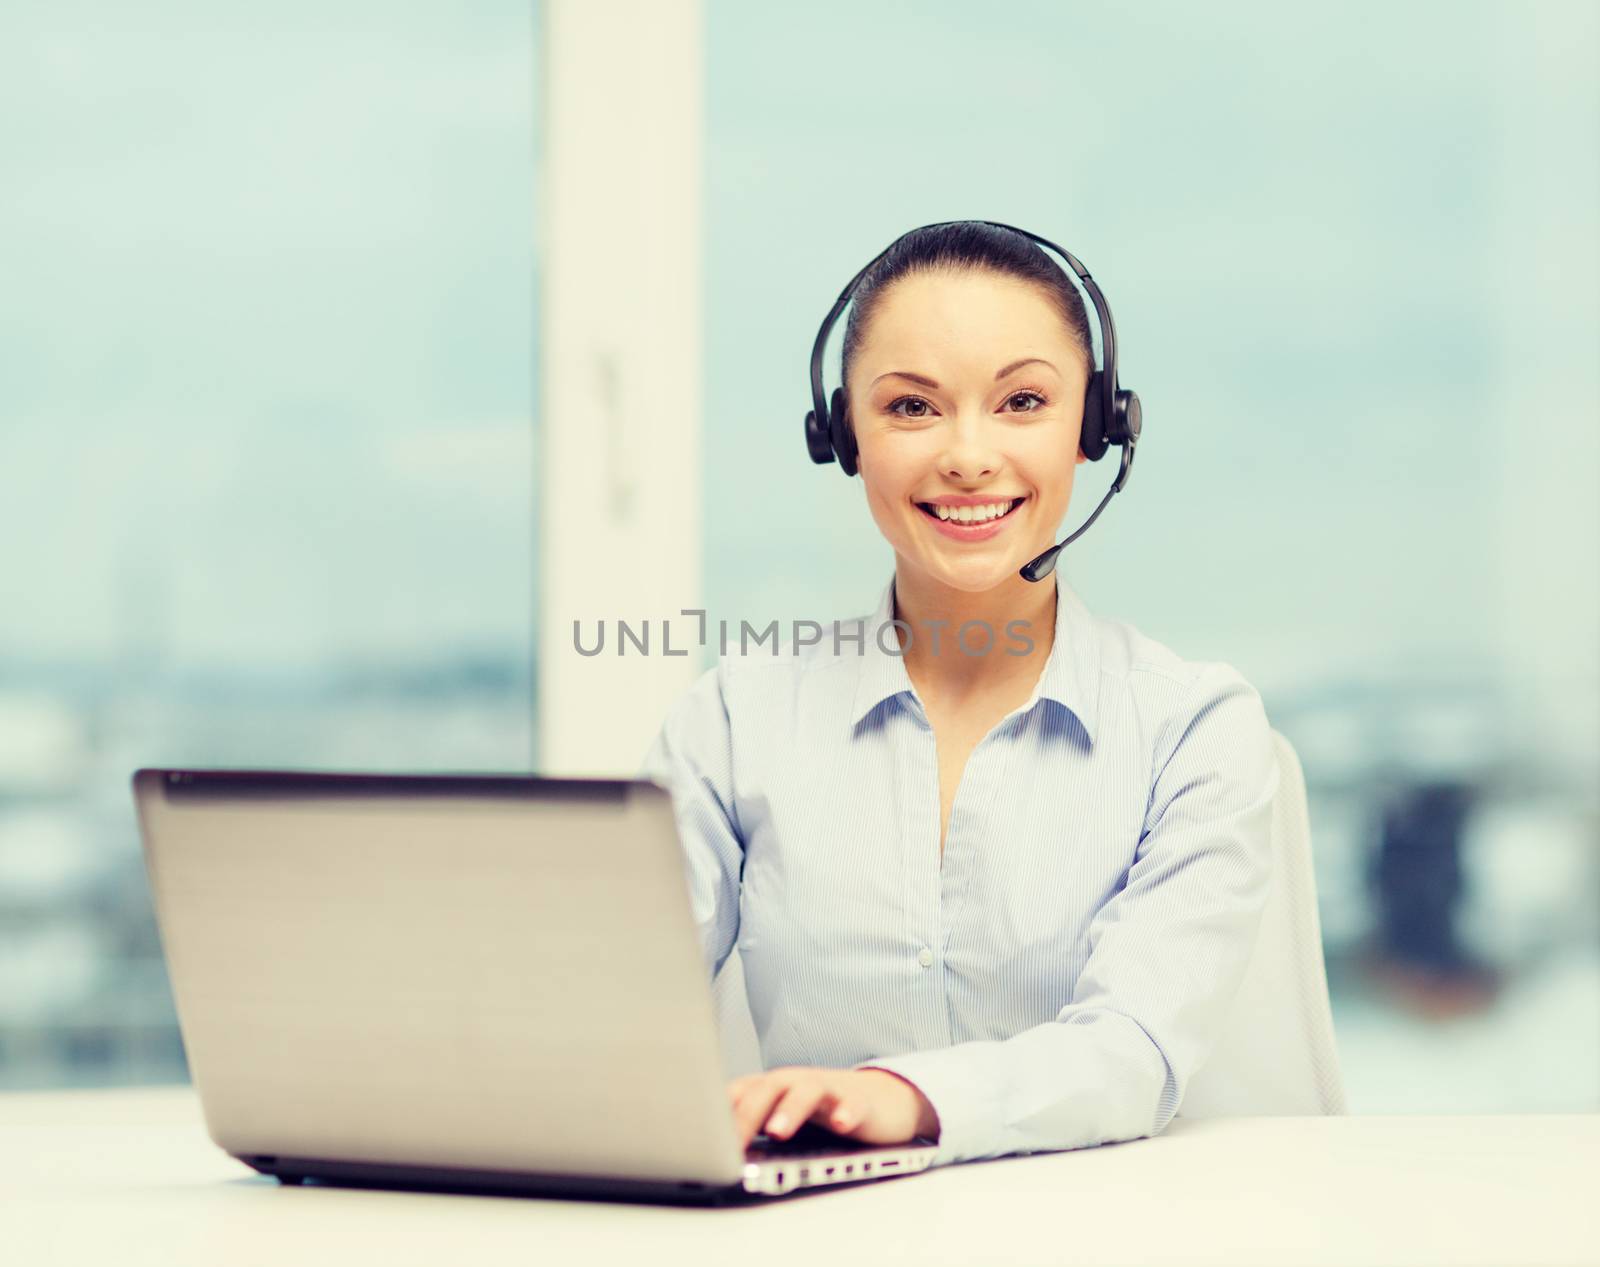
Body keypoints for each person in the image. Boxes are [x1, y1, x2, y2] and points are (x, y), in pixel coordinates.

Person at [640, 221, 1279, 1169]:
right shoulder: (732, 721)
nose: (969, 455)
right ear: (841, 434)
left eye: (1023, 400)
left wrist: (901, 1096)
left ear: (1096, 426)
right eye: (912, 408)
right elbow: (620, 1014)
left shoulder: (1193, 729)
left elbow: (1133, 1049)